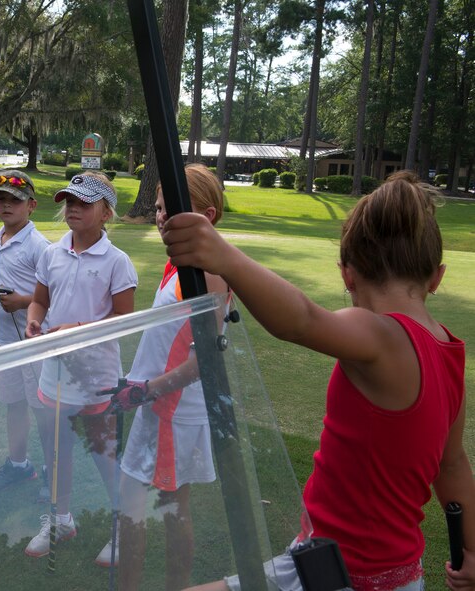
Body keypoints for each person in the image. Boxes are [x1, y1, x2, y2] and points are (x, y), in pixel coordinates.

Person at [161, 170, 472, 591]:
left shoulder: (383, 336)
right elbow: (452, 465)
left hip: (344, 577)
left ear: (347, 274)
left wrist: (224, 256)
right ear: (437, 276)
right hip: (380, 571)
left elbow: (302, 320)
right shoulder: (449, 351)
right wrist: (471, 549)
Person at [99, 165, 227, 587]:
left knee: (155, 506)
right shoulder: (180, 262)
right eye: (158, 208)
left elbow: (204, 361)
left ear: (207, 215)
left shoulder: (207, 272)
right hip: (156, 404)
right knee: (151, 505)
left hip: (172, 411)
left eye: (171, 210)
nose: (160, 217)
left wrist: (146, 390)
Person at [23, 171, 138, 562]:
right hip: (55, 370)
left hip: (95, 376)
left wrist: (77, 329)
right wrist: (34, 319)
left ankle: (125, 525)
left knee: (104, 452)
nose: (73, 208)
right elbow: (40, 300)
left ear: (106, 213)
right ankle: (61, 518)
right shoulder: (52, 254)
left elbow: (122, 318)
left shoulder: (117, 262)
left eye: (83, 203)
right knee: (56, 449)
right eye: (69, 201)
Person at [0, 170, 51, 494]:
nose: (6, 205)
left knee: (41, 407)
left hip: (33, 340)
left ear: (31, 206)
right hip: (4, 339)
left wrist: (23, 301)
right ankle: (19, 465)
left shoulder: (40, 247)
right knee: (14, 403)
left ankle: (53, 470)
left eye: (15, 200)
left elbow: (53, 295)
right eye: (0, 199)